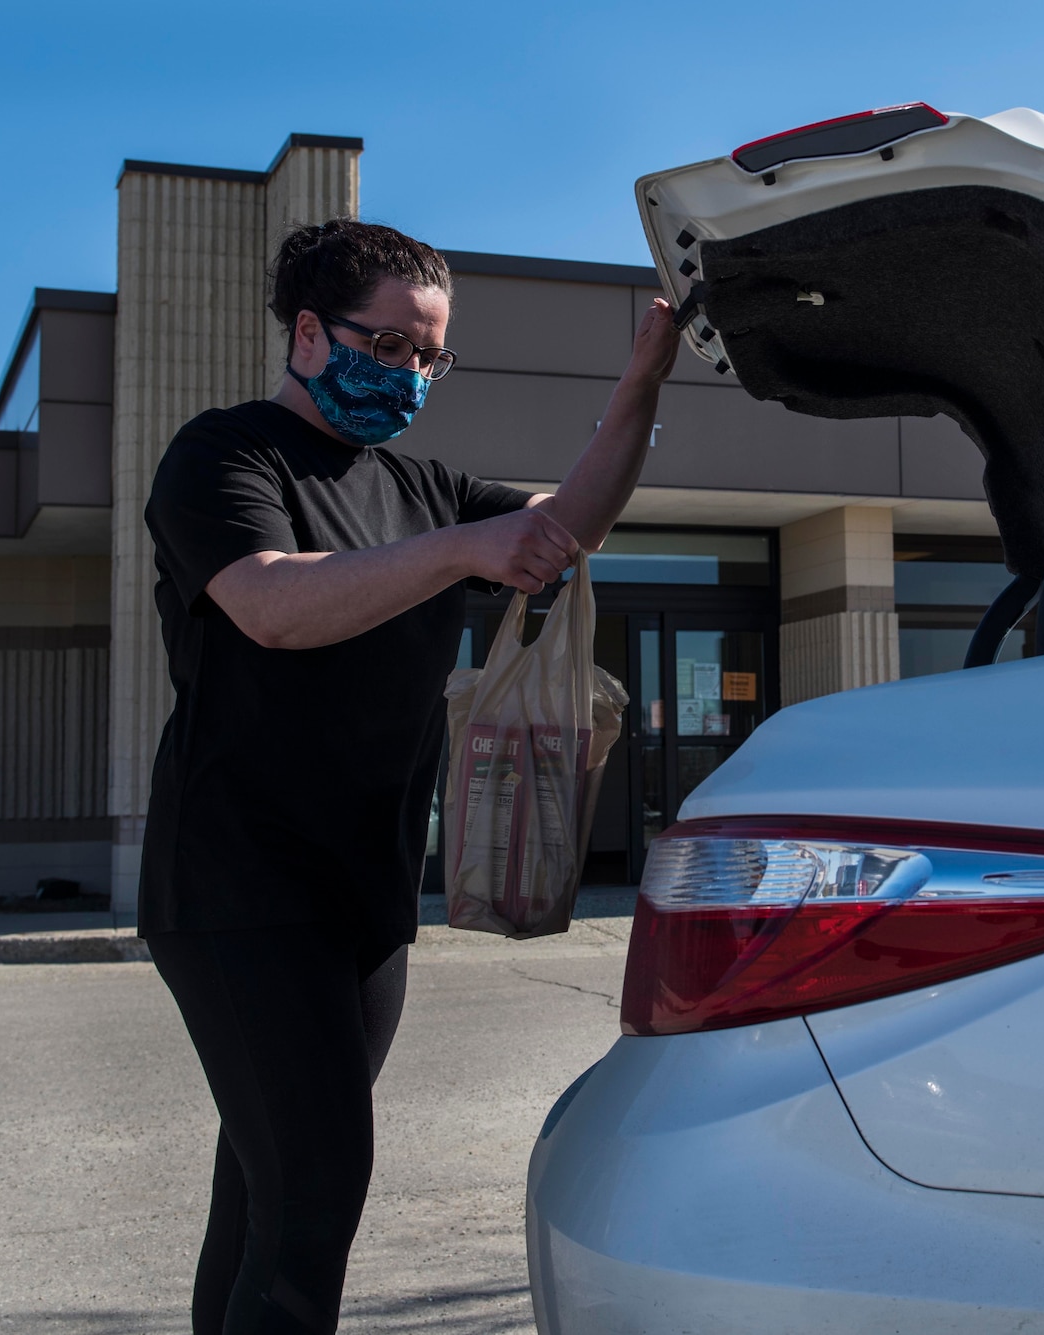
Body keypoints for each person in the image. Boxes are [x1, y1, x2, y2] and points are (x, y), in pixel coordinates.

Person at [139, 218, 679, 1333]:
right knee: (316, 1185)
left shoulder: (425, 485)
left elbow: (568, 526)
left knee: (264, 1183)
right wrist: (461, 550)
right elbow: (270, 604)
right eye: (387, 347)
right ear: (306, 334)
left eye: (431, 357)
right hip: (237, 884)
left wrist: (642, 381)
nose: (411, 376)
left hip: (367, 892)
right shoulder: (224, 454)